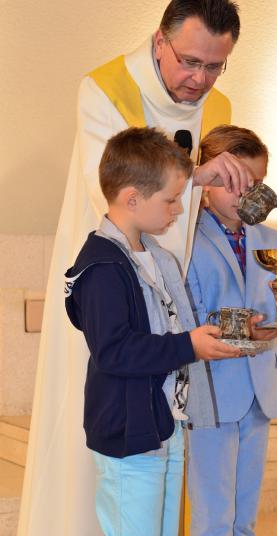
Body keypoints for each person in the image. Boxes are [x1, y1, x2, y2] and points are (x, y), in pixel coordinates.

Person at [18, 0, 251, 536]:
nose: (200, 79)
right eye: (189, 61)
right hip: (117, 283)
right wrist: (196, 176)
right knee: (115, 455)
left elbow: (190, 217)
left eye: (215, 66)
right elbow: (121, 187)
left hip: (169, 300)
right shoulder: (103, 88)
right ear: (159, 41)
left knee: (162, 466)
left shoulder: (218, 108)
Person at [64, 127, 240, 535]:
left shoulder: (151, 254)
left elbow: (168, 321)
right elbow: (115, 351)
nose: (179, 209)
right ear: (132, 198)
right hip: (129, 432)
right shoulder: (102, 266)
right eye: (171, 199)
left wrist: (203, 336)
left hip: (163, 422)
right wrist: (188, 345)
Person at [185, 125, 277, 536]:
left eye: (255, 183)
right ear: (206, 181)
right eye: (233, 181)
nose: (245, 193)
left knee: (246, 511)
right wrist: (248, 331)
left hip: (261, 389)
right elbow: (191, 311)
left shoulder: (270, 237)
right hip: (212, 388)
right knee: (213, 512)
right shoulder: (184, 236)